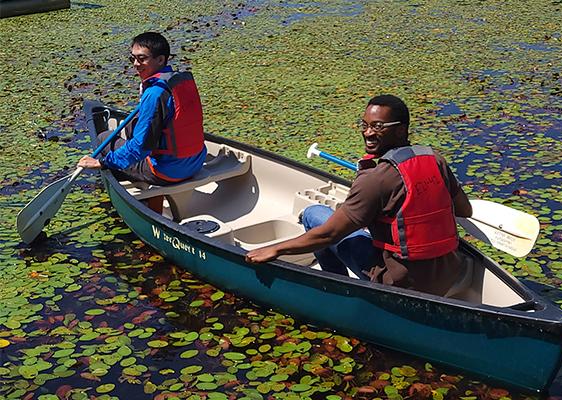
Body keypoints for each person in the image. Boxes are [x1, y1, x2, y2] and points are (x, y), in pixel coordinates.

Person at [245, 95, 473, 296]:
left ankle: (337, 289)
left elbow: (328, 235)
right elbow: (465, 210)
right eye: (364, 125)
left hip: (401, 283)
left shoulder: (375, 179)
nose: (368, 132)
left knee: (313, 214)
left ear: (401, 130)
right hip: (448, 272)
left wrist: (276, 249)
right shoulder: (435, 159)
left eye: (378, 126)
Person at [78, 32, 206, 186]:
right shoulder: (179, 81)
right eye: (133, 58)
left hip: (166, 172)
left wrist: (102, 162)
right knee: (133, 122)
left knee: (104, 138)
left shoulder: (154, 94)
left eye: (142, 59)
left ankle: (132, 189)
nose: (136, 64)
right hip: (196, 162)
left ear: (160, 59)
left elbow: (140, 148)